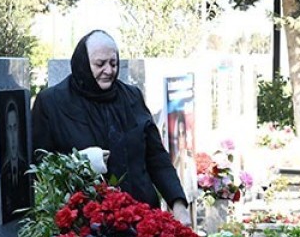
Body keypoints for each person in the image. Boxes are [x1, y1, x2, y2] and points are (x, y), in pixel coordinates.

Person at [31, 30, 189, 223]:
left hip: (141, 219)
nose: (109, 70)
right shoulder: (52, 102)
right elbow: (40, 167)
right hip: (86, 226)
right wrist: (78, 162)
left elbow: (156, 156)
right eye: (100, 64)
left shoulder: (132, 97)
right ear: (83, 63)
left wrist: (178, 203)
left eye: (113, 63)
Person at [0, 97, 33, 222]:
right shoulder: (3, 171)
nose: (13, 136)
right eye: (9, 128)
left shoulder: (25, 168)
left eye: (15, 128)